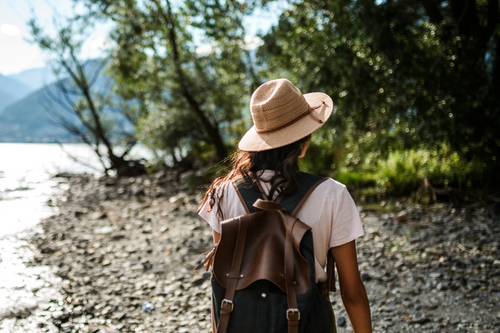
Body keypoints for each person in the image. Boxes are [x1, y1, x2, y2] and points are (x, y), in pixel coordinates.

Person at [198, 78, 372, 333]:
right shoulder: (333, 194)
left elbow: (222, 277)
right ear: (303, 142)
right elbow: (352, 291)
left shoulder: (223, 191)